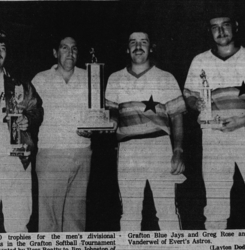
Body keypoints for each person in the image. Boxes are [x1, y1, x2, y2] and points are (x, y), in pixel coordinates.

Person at [105, 29, 186, 230]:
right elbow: (111, 113)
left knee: (167, 211)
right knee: (130, 214)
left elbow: (177, 118)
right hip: (128, 151)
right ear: (127, 48)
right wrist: (111, 121)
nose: (138, 46)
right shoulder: (115, 78)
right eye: (133, 42)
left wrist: (177, 151)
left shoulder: (166, 78)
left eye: (143, 42)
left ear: (151, 47)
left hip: (159, 147)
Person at [183, 7, 245, 229]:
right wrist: (195, 104)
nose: (220, 31)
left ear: (235, 27)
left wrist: (242, 120)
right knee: (216, 200)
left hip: (244, 130)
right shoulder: (200, 60)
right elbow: (189, 94)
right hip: (214, 134)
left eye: (225, 25)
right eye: (215, 27)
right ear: (209, 31)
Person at [32, 33, 92, 232]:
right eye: (64, 48)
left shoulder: (89, 77)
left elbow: (98, 113)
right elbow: (30, 115)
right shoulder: (40, 79)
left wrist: (95, 127)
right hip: (51, 155)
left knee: (76, 219)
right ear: (55, 52)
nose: (70, 52)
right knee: (50, 222)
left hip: (82, 153)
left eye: (74, 48)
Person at [0, 28, 42, 232]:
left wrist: (28, 120)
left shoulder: (18, 84)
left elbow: (36, 108)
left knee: (18, 223)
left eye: (2, 48)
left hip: (15, 158)